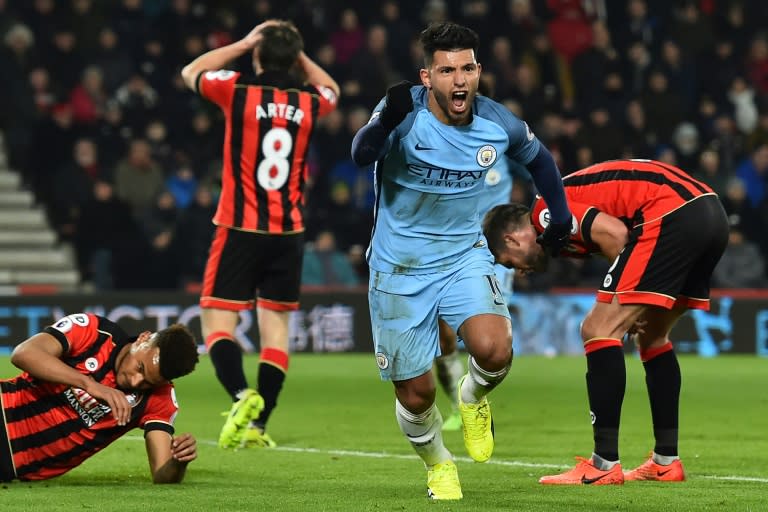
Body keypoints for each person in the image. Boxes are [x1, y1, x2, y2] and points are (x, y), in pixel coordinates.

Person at [350, 22, 573, 500]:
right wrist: (383, 122)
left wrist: (561, 214)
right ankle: (439, 464)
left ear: (478, 72)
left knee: (495, 349)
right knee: (417, 394)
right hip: (399, 268)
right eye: (447, 70)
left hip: (462, 256)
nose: (459, 80)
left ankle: (472, 398)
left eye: (467, 68)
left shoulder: (498, 122)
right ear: (427, 76)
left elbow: (541, 162)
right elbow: (361, 154)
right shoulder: (404, 115)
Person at [482, 158, 729, 485]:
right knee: (654, 337)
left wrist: (630, 301)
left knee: (597, 328)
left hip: (671, 212)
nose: (518, 270)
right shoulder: (561, 230)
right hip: (710, 213)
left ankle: (603, 464)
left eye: (509, 263)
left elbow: (616, 235)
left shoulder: (545, 213)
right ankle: (666, 461)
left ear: (512, 239)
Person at [181, 19, 340, 450]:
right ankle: (258, 427)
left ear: (256, 56)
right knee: (276, 332)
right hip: (289, 231)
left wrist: (245, 42)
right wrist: (296, 51)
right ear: (295, 62)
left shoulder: (237, 91)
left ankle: (240, 395)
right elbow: (333, 90)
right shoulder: (310, 102)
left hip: (240, 226)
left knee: (217, 321)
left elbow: (191, 71)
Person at [0, 313, 200, 482]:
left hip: (15, 463)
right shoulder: (93, 331)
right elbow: (23, 353)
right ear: (143, 339)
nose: (136, 382)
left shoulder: (160, 398)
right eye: (140, 367)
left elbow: (161, 474)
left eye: (148, 382)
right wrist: (89, 384)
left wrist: (178, 462)